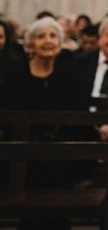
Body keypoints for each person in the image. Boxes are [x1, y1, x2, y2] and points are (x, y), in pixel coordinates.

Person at [0, 17, 84, 230]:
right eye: (41, 36)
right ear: (30, 44)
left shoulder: (70, 74)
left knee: (59, 214)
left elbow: (79, 114)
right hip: (25, 159)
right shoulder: (15, 77)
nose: (48, 41)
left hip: (63, 155)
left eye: (53, 36)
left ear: (60, 41)